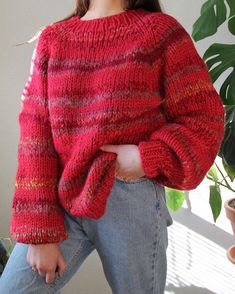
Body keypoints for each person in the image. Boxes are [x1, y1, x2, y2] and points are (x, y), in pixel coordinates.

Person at [0, 0, 225, 293]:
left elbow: (204, 118)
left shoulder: (160, 33)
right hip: (62, 196)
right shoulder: (54, 40)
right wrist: (39, 229)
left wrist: (146, 158)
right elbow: (35, 134)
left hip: (130, 198)